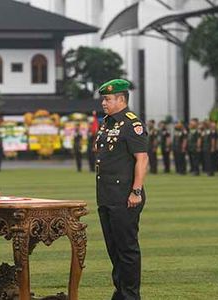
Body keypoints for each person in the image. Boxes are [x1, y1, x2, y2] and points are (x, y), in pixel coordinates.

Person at [95, 79, 148, 300]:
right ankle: (121, 292)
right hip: (107, 195)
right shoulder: (107, 123)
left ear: (121, 99)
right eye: (103, 99)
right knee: (114, 249)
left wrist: (136, 191)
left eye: (108, 99)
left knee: (127, 250)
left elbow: (142, 159)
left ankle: (131, 296)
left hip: (125, 197)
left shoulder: (131, 123)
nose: (104, 103)